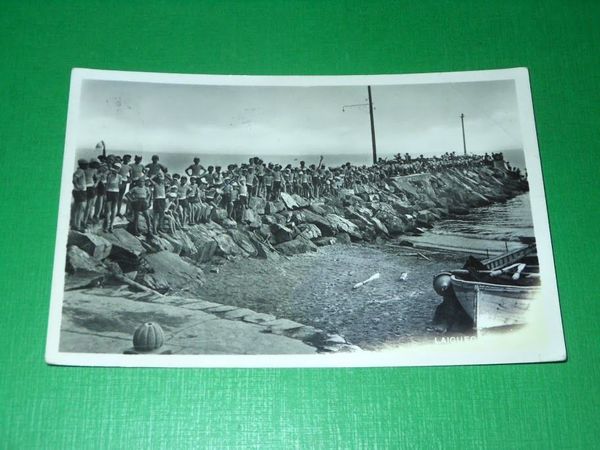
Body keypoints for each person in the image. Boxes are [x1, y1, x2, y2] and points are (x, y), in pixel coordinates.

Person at [103, 163, 124, 233]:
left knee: (113, 210)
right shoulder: (109, 175)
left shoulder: (120, 177)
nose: (116, 169)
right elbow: (106, 185)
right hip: (109, 192)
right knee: (107, 210)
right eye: (115, 167)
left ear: (119, 169)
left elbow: (120, 186)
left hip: (116, 193)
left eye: (117, 168)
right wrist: (105, 194)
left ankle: (111, 225)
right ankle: (106, 226)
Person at [72, 159, 88, 231]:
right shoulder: (80, 171)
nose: (87, 165)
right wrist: (78, 186)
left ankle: (74, 224)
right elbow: (74, 178)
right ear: (82, 165)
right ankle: (77, 226)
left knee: (76, 208)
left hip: (79, 192)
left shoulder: (80, 170)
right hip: (80, 192)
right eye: (86, 164)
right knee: (80, 209)